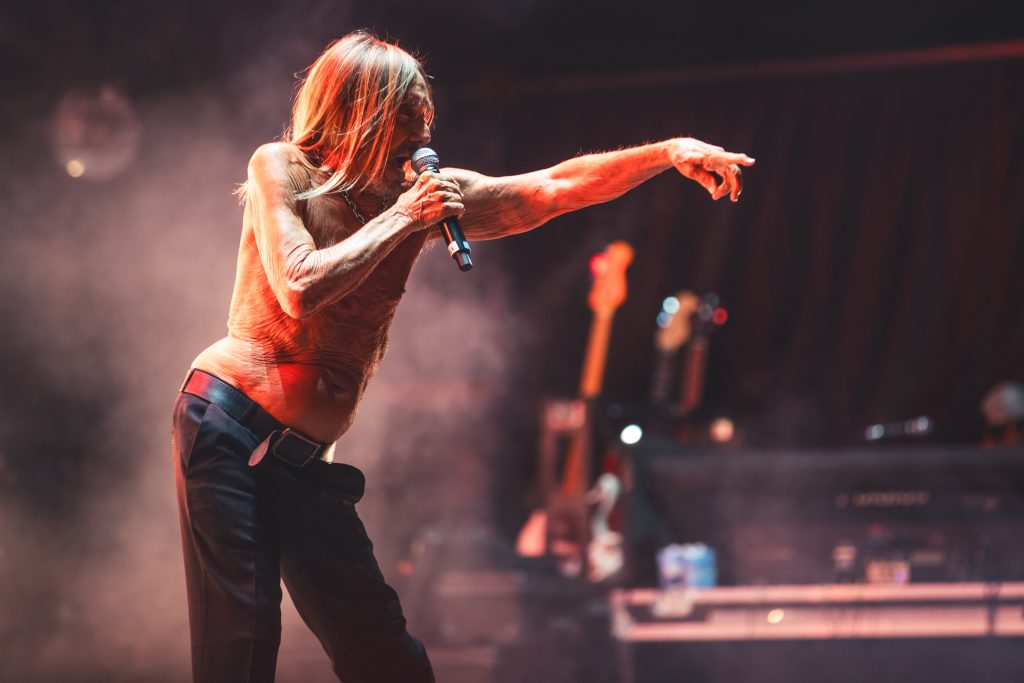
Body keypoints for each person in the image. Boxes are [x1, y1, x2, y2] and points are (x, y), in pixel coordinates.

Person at [171, 30, 754, 683]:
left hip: (306, 464)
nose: (424, 122)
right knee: (243, 645)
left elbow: (554, 188)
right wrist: (404, 216)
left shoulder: (423, 190)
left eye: (424, 107)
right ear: (362, 109)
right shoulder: (282, 167)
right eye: (407, 107)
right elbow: (300, 288)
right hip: (231, 431)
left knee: (388, 657)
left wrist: (667, 153)